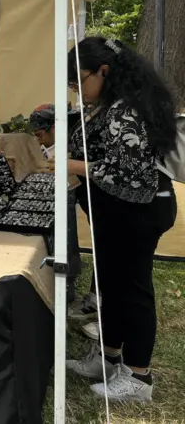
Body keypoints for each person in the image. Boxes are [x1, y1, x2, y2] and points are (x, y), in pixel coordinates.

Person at [65, 37, 177, 403]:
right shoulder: (107, 105)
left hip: (139, 211)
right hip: (115, 211)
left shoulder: (129, 109)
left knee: (133, 291)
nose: (77, 90)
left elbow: (132, 172)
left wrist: (70, 166)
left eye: (79, 80)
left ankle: (139, 378)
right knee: (110, 286)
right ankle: (108, 358)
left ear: (105, 71)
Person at [29, 104, 80, 304]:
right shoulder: (54, 145)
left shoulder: (71, 147)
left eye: (40, 134)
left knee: (67, 234)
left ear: (55, 128)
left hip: (73, 191)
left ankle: (68, 283)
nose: (38, 139)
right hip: (67, 188)